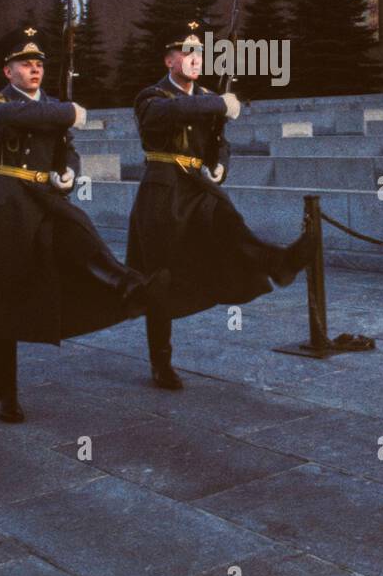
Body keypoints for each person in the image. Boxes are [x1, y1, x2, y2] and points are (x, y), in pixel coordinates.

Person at [0, 25, 169, 422]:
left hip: (46, 198)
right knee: (4, 298)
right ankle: (5, 392)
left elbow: (68, 152)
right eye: (25, 63)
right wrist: (67, 113)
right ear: (7, 71)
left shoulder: (53, 105)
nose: (34, 69)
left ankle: (129, 284)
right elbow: (14, 117)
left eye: (39, 63)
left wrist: (69, 174)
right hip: (7, 202)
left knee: (82, 234)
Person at [127, 21, 312, 389]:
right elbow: (167, 115)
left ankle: (278, 263)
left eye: (200, 53)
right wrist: (219, 104)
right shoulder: (152, 96)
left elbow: (218, 141)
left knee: (228, 222)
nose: (195, 59)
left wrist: (220, 164)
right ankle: (160, 362)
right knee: (160, 277)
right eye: (186, 53)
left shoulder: (209, 96)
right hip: (163, 190)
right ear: (169, 60)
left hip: (197, 186)